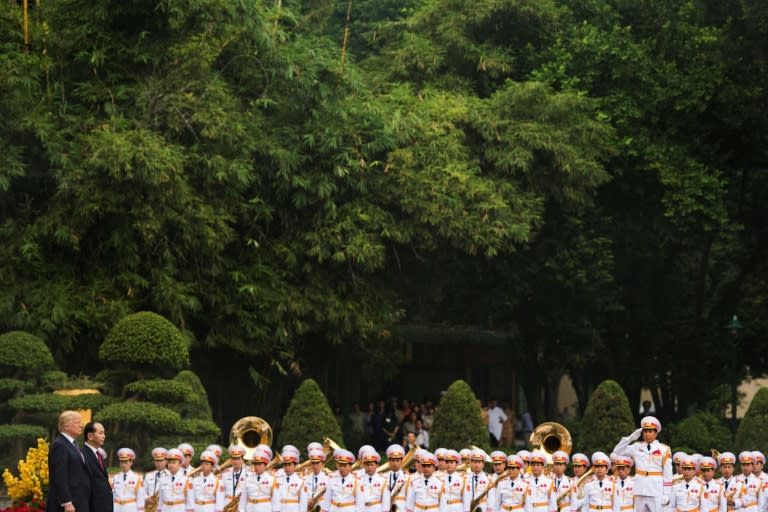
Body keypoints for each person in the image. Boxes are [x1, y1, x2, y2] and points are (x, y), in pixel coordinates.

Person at [613, 416, 672, 512]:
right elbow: (617, 451)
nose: (647, 434)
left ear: (656, 433)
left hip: (656, 490)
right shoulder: (637, 447)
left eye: (650, 431)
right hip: (640, 488)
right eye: (645, 431)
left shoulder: (664, 449)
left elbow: (668, 474)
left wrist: (667, 493)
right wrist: (630, 438)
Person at [47, 411, 92, 512]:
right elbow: (59, 476)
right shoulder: (60, 445)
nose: (81, 425)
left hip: (79, 500)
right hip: (69, 504)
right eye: (77, 422)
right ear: (66, 426)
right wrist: (67, 502)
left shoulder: (73, 444)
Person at [81, 421, 114, 512]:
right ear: (90, 436)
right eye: (100, 433)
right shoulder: (82, 455)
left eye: (104, 433)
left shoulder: (98, 454)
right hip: (91, 506)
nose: (104, 436)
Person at [112, 448, 145, 512]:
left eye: (125, 462)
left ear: (131, 462)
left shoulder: (137, 477)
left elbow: (140, 497)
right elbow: (112, 495)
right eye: (121, 462)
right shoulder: (114, 477)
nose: (123, 465)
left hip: (130, 507)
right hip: (116, 507)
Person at [216, 445, 248, 512]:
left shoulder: (249, 474)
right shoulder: (224, 474)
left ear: (242, 460)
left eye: (238, 459)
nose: (236, 461)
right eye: (233, 459)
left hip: (242, 506)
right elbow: (220, 493)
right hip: (227, 505)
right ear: (231, 460)